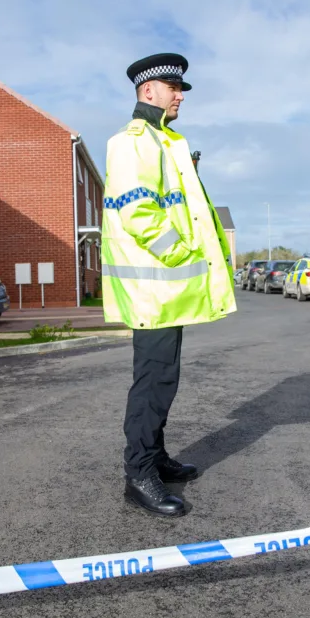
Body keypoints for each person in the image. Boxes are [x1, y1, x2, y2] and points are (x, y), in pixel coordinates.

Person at [101, 53, 237, 517]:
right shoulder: (133, 141)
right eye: (173, 88)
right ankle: (138, 474)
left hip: (167, 289)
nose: (180, 96)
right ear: (148, 92)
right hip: (152, 288)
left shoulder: (167, 141)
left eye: (181, 90)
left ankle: (155, 459)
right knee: (152, 383)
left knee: (165, 379)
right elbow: (137, 212)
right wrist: (183, 253)